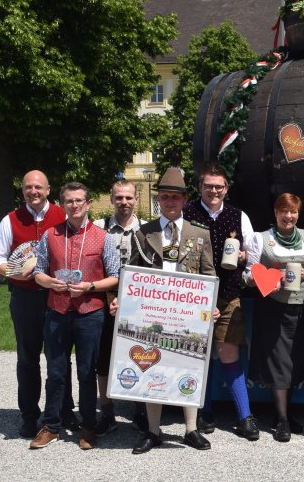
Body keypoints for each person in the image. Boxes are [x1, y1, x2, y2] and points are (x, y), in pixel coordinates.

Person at [124, 167, 217, 454]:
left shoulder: (199, 233)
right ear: (159, 199)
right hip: (153, 314)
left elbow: (209, 272)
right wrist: (126, 303)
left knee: (189, 365)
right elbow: (133, 275)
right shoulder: (143, 232)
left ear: (184, 200)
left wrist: (211, 304)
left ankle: (191, 428)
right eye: (164, 196)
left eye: (175, 197)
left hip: (188, 315)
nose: (169, 201)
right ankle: (153, 431)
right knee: (153, 366)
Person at [29, 182, 121, 450]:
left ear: (89, 203)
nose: (75, 205)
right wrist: (50, 283)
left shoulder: (102, 237)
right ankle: (52, 426)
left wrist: (90, 286)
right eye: (69, 201)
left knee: (86, 372)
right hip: (57, 311)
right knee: (55, 371)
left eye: (79, 200)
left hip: (89, 312)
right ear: (63, 205)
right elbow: (39, 271)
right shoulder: (50, 235)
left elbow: (115, 275)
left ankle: (89, 426)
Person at [0, 170, 77, 438]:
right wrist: (11, 271)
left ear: (49, 190)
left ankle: (64, 410)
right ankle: (29, 414)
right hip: (25, 297)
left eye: (38, 187)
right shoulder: (11, 220)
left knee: (59, 357)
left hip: (57, 295)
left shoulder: (63, 215)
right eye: (28, 187)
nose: (33, 191)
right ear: (23, 190)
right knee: (27, 358)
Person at [183, 163, 259, 441]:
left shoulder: (239, 216)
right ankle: (204, 411)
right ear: (200, 187)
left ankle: (244, 415)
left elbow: (253, 252)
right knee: (198, 353)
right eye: (208, 186)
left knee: (229, 352)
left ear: (226, 188)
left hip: (228, 294)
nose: (214, 190)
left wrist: (243, 257)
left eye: (219, 186)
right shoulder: (187, 212)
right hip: (193, 295)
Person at [244, 193, 304, 442]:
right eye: (283, 211)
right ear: (275, 213)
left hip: (302, 308)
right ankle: (281, 419)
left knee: (294, 360)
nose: (288, 216)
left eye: (293, 212)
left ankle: (285, 413)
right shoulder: (261, 239)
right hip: (273, 308)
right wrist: (269, 279)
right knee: (279, 362)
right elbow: (248, 274)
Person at [91, 179, 147, 436]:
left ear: (136, 199)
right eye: (119, 198)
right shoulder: (98, 229)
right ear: (112, 199)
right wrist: (110, 295)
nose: (124, 202)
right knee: (103, 359)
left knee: (140, 357)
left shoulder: (148, 230)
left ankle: (140, 409)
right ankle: (107, 410)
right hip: (104, 302)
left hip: (138, 305)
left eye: (128, 198)